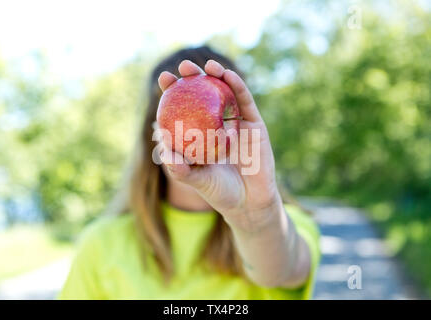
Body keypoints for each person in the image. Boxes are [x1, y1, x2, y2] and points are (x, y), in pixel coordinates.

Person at [58, 46, 320, 300]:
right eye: (178, 123)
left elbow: (281, 268)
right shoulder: (101, 245)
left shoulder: (282, 224)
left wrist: (256, 218)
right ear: (153, 135)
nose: (195, 132)